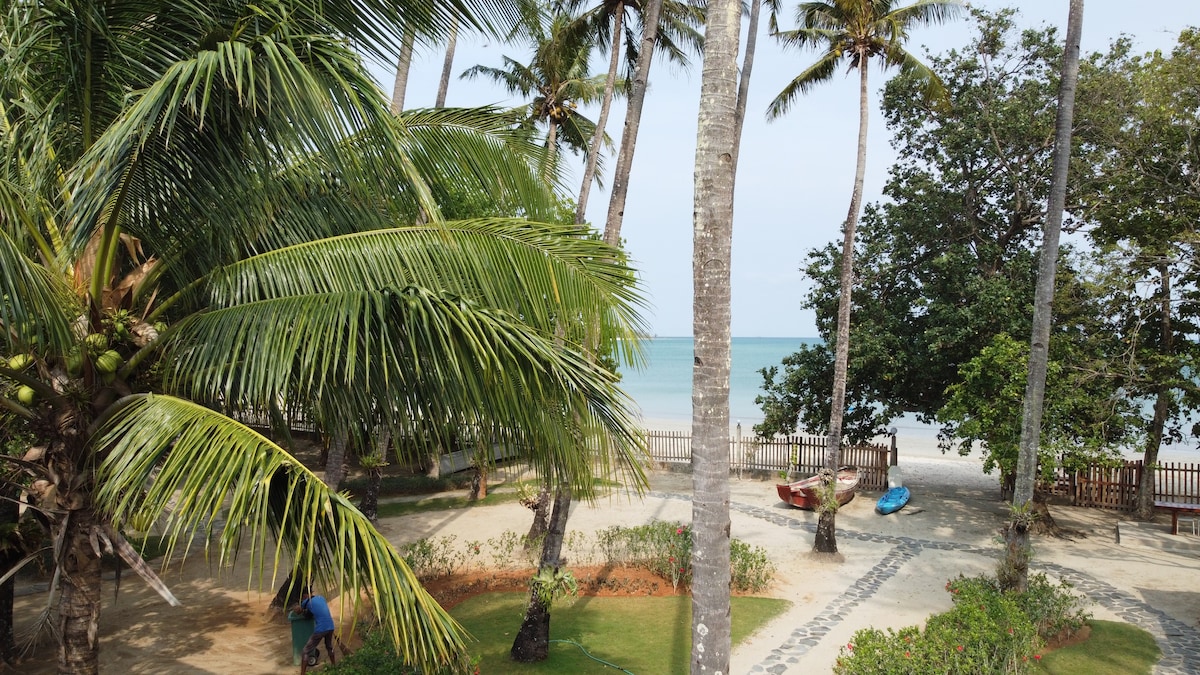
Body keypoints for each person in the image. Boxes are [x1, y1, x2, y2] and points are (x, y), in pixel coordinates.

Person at [298, 588, 337, 674]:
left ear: (305, 595)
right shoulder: (321, 598)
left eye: (302, 597)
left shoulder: (307, 602)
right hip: (330, 626)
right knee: (329, 646)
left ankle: (302, 674)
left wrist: (295, 608)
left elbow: (298, 611)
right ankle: (334, 667)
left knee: (305, 651)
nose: (303, 599)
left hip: (321, 628)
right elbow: (316, 610)